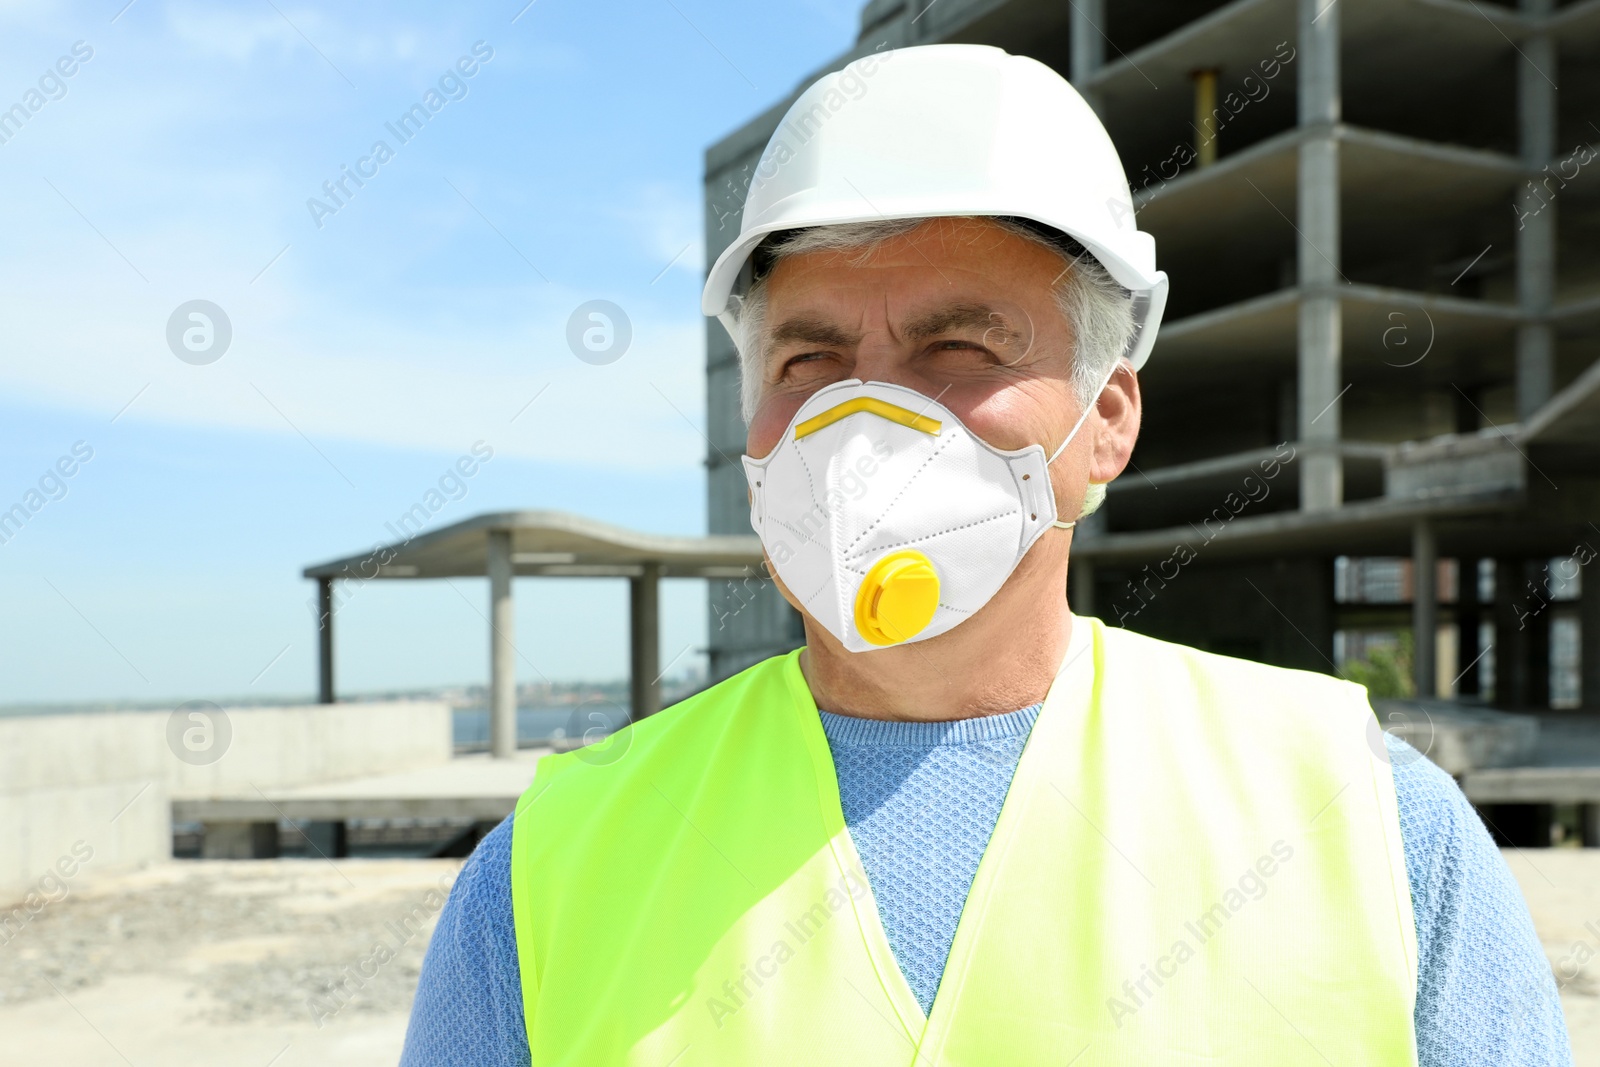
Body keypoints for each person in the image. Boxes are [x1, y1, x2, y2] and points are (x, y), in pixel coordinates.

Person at [402, 44, 1571, 1066]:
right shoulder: (544, 876)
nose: (864, 423)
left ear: (1104, 419)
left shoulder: (1369, 825)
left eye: (958, 345)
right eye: (807, 361)